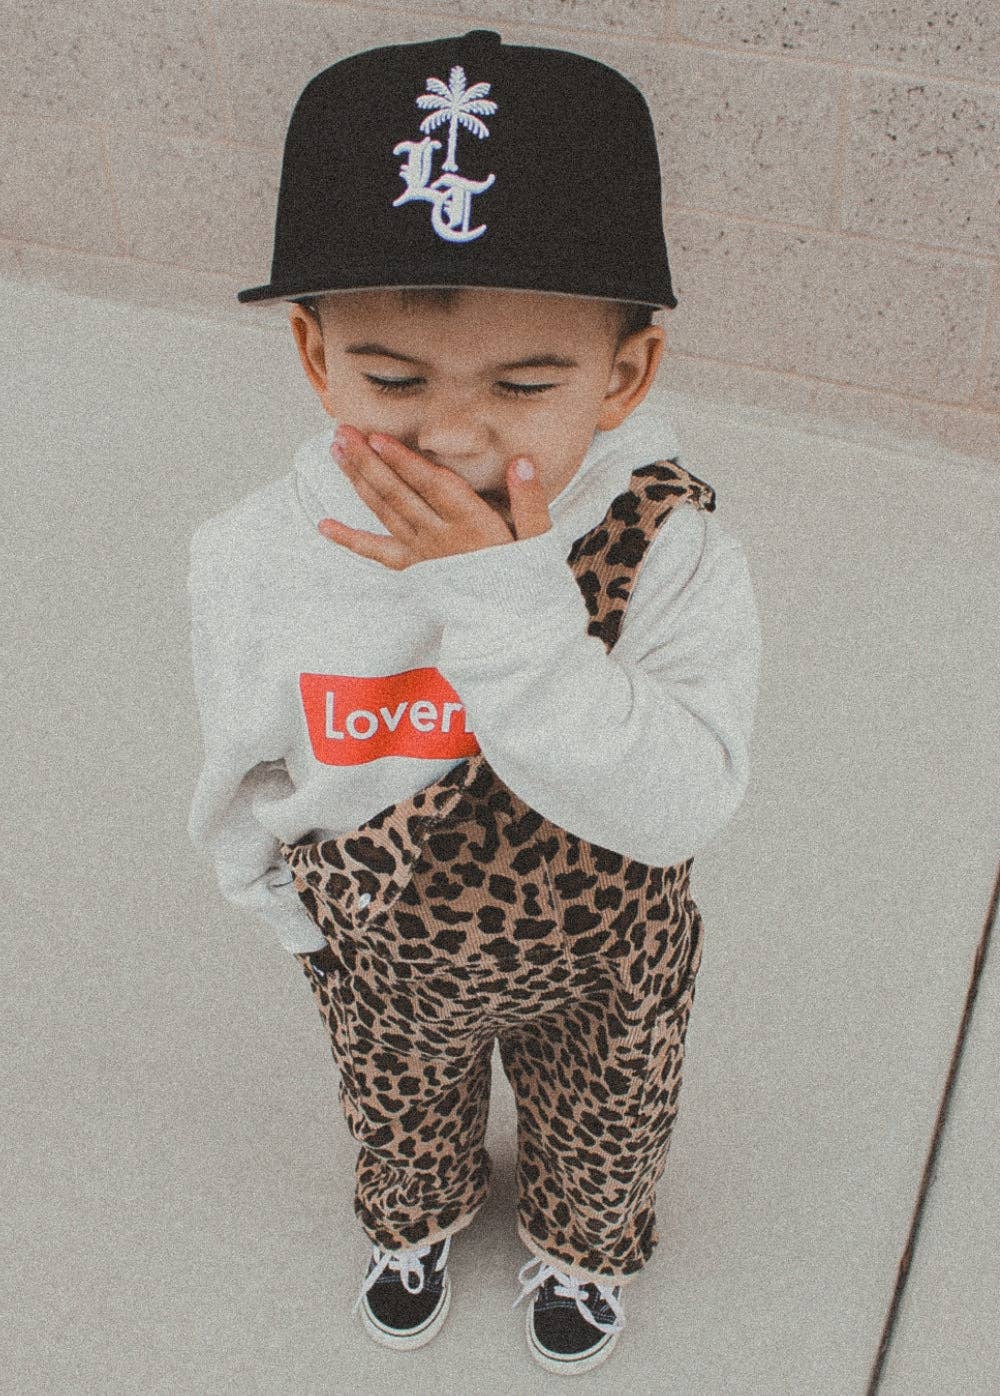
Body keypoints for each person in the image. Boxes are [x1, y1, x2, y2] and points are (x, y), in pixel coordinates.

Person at [187, 29, 762, 1377]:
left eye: (523, 384)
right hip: (383, 942)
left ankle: (581, 1245)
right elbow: (244, 753)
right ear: (315, 354)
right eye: (393, 378)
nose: (451, 433)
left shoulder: (669, 547)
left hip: (607, 942)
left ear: (625, 375)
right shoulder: (254, 554)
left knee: (610, 1115)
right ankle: (417, 1221)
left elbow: (686, 798)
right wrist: (279, 908)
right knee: (399, 1113)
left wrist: (506, 596)